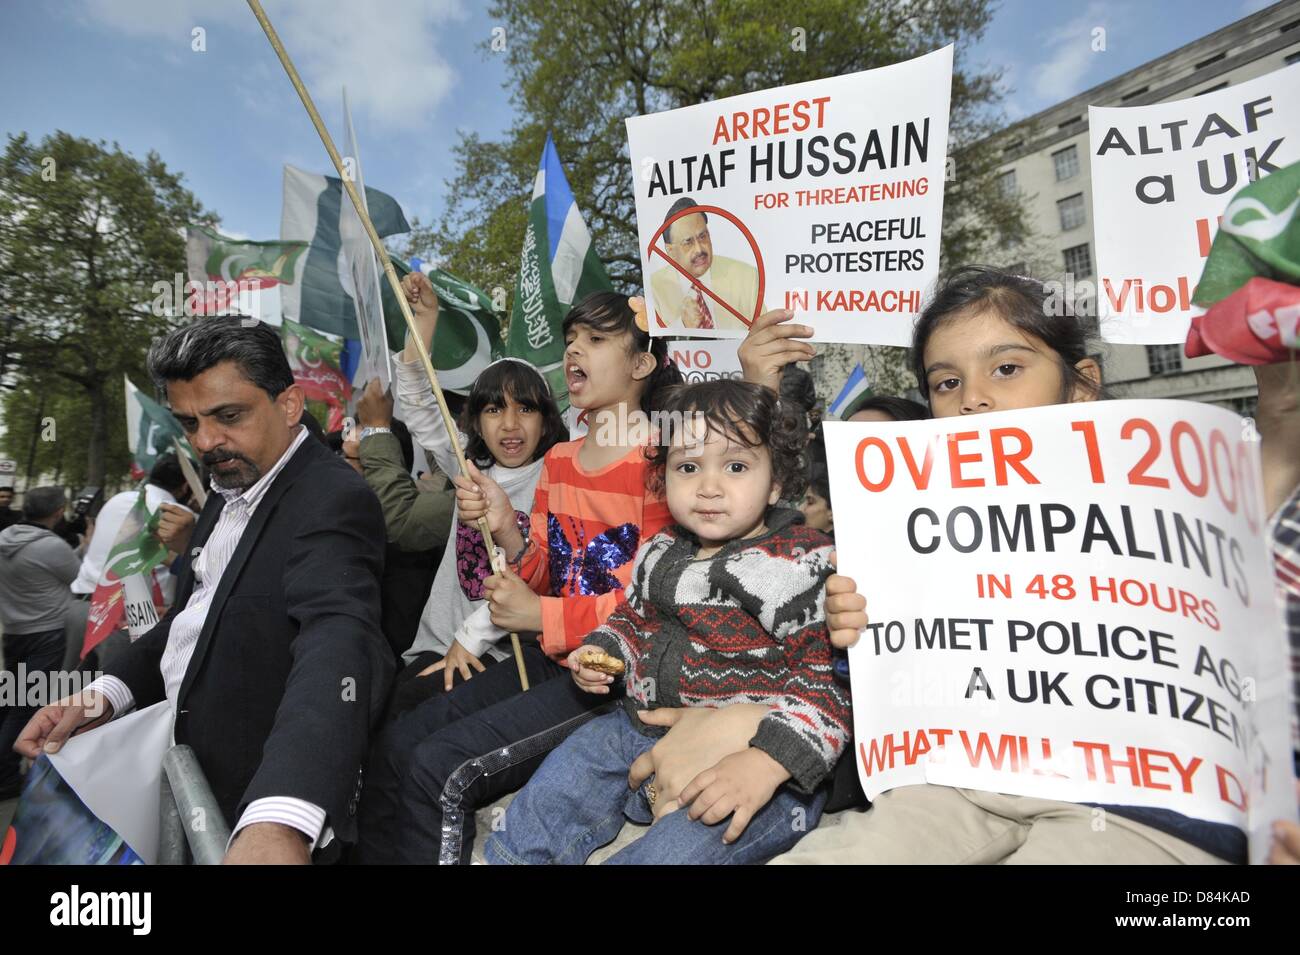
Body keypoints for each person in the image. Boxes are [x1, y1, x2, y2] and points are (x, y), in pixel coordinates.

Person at [776, 265, 1258, 865]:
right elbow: (898, 685)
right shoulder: (914, 529)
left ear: (1082, 385)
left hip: (1139, 805)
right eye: (946, 382)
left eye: (1007, 368)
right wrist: (858, 638)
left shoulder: (1170, 509)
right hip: (956, 782)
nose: (972, 397)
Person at [15, 316, 391, 864]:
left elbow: (339, 637)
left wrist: (283, 814)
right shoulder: (230, 479)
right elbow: (197, 611)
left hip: (256, 795)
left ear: (288, 404)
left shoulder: (334, 497)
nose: (207, 442)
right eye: (189, 423)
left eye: (228, 416)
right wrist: (105, 694)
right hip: (192, 780)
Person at [356, 292, 682, 864]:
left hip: (614, 681)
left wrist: (540, 616)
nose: (575, 349)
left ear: (642, 364)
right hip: (551, 658)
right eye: (572, 338)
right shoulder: (561, 461)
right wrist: (511, 534)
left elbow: (656, 607)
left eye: (597, 339)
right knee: (400, 740)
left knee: (439, 769)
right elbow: (551, 571)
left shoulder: (665, 464)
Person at [484, 379, 847, 864]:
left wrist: (767, 761)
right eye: (688, 467)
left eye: (736, 466)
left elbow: (827, 686)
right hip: (639, 726)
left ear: (776, 481)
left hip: (754, 757)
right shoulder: (660, 550)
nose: (709, 487)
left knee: (675, 852)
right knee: (558, 786)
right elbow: (634, 620)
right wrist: (605, 651)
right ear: (663, 477)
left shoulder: (802, 563)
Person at [384, 271, 568, 709]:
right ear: (475, 422)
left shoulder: (558, 476)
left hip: (504, 659)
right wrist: (426, 320)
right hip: (437, 645)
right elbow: (414, 400)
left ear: (545, 417)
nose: (509, 424)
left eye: (525, 408)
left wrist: (472, 640)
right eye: (492, 409)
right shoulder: (468, 466)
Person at [0, 487, 82, 799]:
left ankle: (5, 770)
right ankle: (8, 776)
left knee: (11, 701)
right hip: (49, 633)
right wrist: (84, 543)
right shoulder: (50, 546)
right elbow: (80, 577)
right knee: (29, 707)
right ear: (59, 511)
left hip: (15, 632)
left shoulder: (5, 537)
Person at [651, 196, 763, 331]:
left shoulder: (747, 277)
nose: (699, 249)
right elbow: (655, 345)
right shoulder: (655, 288)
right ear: (670, 251)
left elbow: (764, 333)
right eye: (688, 242)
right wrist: (683, 325)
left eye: (703, 236)